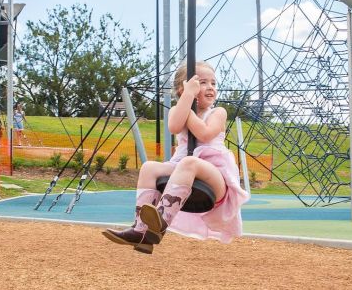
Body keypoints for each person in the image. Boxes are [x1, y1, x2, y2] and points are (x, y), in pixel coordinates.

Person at [102, 61, 249, 254]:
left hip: (214, 175)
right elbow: (174, 127)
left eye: (213, 83)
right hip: (184, 168)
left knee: (190, 162)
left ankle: (160, 221)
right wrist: (188, 98)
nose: (210, 87)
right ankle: (141, 230)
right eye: (203, 82)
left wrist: (189, 111)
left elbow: (205, 134)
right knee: (149, 167)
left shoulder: (218, 112)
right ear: (183, 89)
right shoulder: (177, 110)